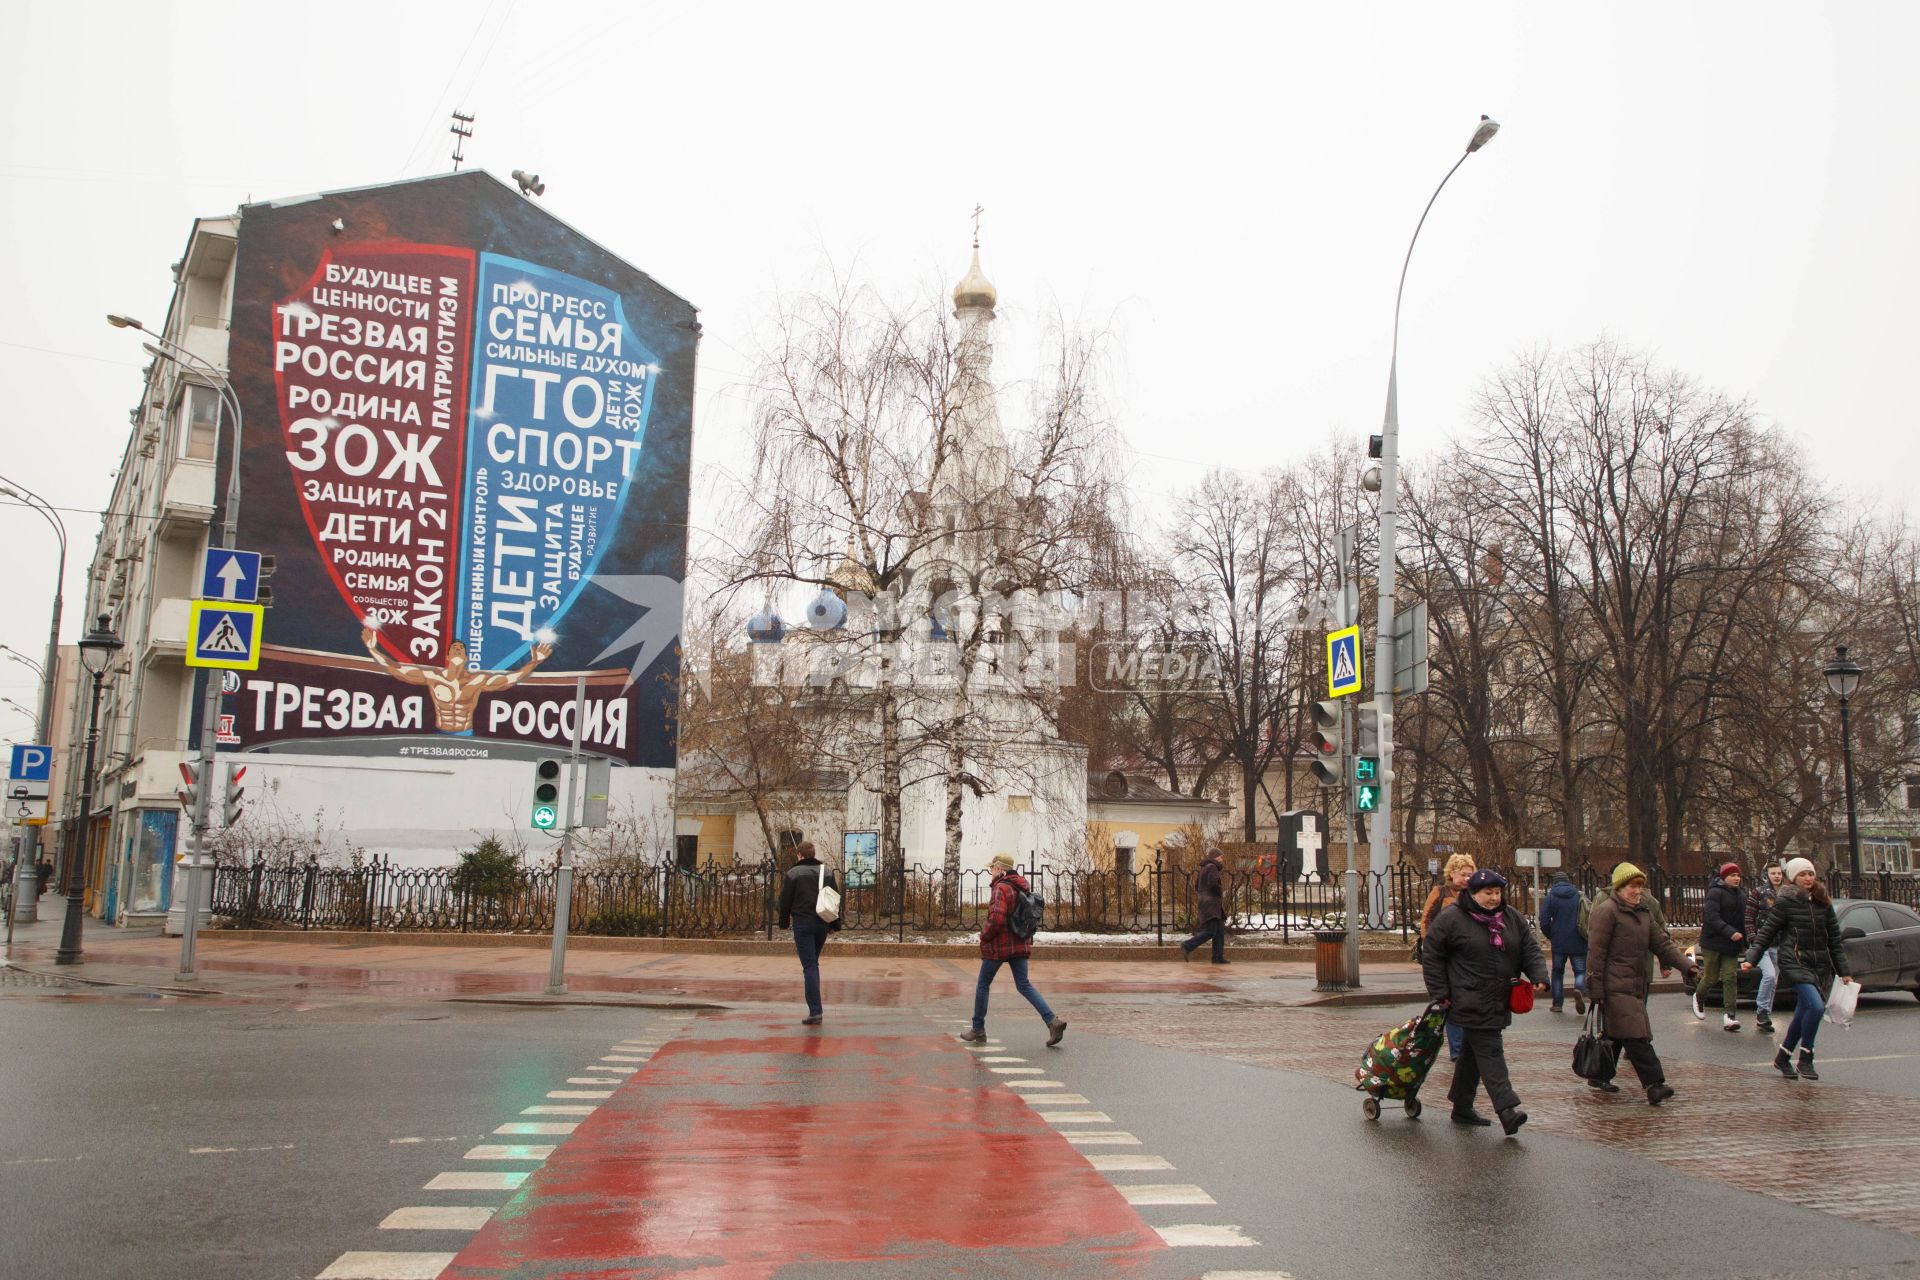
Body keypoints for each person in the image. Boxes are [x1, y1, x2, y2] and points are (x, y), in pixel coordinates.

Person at [1421, 868, 1549, 1136]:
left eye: (1497, 892)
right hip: (1467, 996)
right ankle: (1507, 1110)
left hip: (1499, 996)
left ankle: (1462, 1106)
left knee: (1471, 1054)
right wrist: (1440, 992)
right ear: (1473, 893)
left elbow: (1529, 948)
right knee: (1491, 1051)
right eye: (1488, 893)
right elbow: (1432, 955)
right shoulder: (1452, 919)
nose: (1494, 898)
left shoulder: (1510, 917)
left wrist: (1538, 974)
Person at [1586, 862, 1698, 1105]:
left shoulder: (1644, 913)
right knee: (1636, 1035)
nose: (1636, 892)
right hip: (1614, 985)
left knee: (1617, 1032)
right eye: (1631, 887)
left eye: (1639, 887)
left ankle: (1599, 1075)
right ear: (1619, 888)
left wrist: (1688, 967)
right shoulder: (1606, 912)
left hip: (1636, 983)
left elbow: (1663, 945)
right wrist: (1594, 988)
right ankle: (1654, 1084)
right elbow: (1596, 953)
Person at [1742, 857, 1853, 1081]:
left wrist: (1844, 971)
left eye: (1810, 873)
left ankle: (1782, 1058)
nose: (1808, 878)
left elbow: (1834, 941)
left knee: (1804, 1011)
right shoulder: (1786, 902)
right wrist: (1751, 958)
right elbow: (1767, 932)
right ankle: (1806, 1057)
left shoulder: (1823, 902)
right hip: (1794, 962)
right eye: (1802, 874)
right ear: (1793, 878)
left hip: (1819, 965)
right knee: (1816, 1006)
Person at [961, 853, 1067, 1047]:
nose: (990, 872)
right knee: (1024, 985)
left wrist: (984, 936)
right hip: (1019, 943)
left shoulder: (1001, 888)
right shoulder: (1022, 885)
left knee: (983, 983)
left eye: (992, 869)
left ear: (1000, 870)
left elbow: (997, 919)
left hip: (1000, 946)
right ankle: (1053, 1021)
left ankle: (978, 1028)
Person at [775, 840, 840, 1026]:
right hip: (821, 925)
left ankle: (815, 1011)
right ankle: (815, 1008)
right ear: (813, 854)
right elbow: (833, 898)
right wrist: (835, 925)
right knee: (813, 964)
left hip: (803, 924)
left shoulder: (793, 873)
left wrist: (783, 923)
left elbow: (785, 901)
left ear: (799, 855)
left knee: (810, 966)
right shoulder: (826, 872)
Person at [1420, 854, 1477, 1061]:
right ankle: (1458, 1050)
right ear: (1451, 873)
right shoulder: (1441, 892)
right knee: (1449, 1002)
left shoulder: (1474, 895)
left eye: (1470, 874)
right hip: (1444, 954)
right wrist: (1429, 945)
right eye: (1463, 874)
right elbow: (1426, 919)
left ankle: (1469, 1048)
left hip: (1467, 956)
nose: (1467, 879)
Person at [1694, 861, 1747, 1031]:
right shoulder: (1715, 892)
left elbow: (1745, 919)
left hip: (1732, 943)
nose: (1736, 878)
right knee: (1711, 976)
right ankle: (1699, 997)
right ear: (1724, 877)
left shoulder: (1741, 895)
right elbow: (1712, 916)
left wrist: (1745, 940)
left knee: (1730, 976)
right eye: (1732, 875)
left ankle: (1730, 1015)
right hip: (1713, 941)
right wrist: (1729, 931)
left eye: (1738, 875)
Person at [1538, 870, 1588, 1014]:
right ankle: (1579, 987)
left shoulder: (1551, 897)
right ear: (1568, 881)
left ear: (1555, 882)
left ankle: (1557, 1004)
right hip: (1578, 939)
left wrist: (1550, 935)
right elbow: (1588, 914)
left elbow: (1544, 920)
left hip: (1559, 941)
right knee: (1580, 970)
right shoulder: (1579, 895)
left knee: (1557, 972)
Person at [1744, 861, 1785, 1035]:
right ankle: (1761, 1010)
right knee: (1768, 975)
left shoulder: (1785, 893)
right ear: (1766, 875)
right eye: (1773, 873)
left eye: (1779, 873)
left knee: (1774, 979)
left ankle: (1766, 1014)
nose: (1777, 876)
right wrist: (1753, 938)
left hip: (1778, 943)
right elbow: (1749, 917)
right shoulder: (1758, 892)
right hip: (1761, 943)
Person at [1179, 847, 1229, 964]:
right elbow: (1213, 884)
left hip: (1207, 903)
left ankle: (1217, 957)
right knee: (1211, 931)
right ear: (1216, 857)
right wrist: (1219, 892)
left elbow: (1197, 886)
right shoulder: (1212, 867)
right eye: (1221, 857)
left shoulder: (1204, 868)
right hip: (1211, 905)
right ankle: (1187, 945)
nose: (1222, 859)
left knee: (1219, 931)